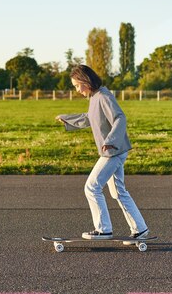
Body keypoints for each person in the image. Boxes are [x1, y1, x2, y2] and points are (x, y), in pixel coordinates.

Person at [55, 64, 149, 244]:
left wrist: (110, 141)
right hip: (116, 151)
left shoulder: (104, 96)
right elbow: (89, 118)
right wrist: (66, 118)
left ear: (85, 81)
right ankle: (140, 229)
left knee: (92, 187)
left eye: (77, 85)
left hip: (113, 152)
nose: (76, 90)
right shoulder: (95, 97)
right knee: (119, 192)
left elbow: (120, 118)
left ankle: (103, 229)